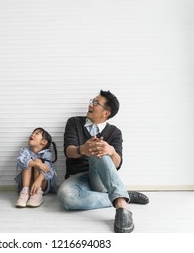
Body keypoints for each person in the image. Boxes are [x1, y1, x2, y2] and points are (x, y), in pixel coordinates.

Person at [58, 90, 149, 233]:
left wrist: (111, 150)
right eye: (92, 101)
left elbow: (117, 163)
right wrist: (83, 149)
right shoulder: (74, 122)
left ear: (106, 113)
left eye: (95, 102)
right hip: (77, 177)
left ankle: (121, 204)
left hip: (100, 179)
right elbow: (68, 151)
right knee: (66, 197)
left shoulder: (115, 132)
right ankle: (123, 195)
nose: (90, 104)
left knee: (99, 149)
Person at [15, 127, 57, 208]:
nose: (32, 134)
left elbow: (49, 170)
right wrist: (37, 164)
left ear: (44, 142)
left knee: (38, 161)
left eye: (36, 134)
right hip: (27, 184)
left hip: (40, 185)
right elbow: (20, 161)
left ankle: (37, 194)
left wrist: (38, 180)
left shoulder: (47, 154)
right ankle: (25, 193)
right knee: (29, 162)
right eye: (32, 133)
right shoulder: (25, 151)